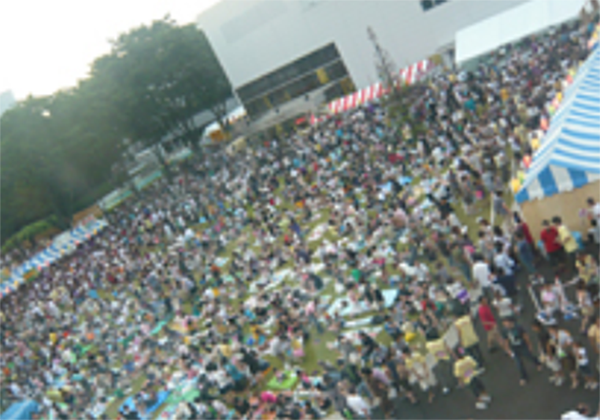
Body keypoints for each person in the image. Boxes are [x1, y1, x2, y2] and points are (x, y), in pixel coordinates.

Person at [501, 318, 542, 386]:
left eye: (506, 323)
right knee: (519, 364)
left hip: (522, 346)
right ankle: (524, 377)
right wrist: (508, 349)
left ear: (510, 322)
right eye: (504, 324)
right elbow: (506, 340)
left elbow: (525, 336)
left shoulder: (518, 327)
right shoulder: (505, 330)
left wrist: (529, 345)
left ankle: (537, 363)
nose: (505, 325)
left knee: (529, 356)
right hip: (514, 348)